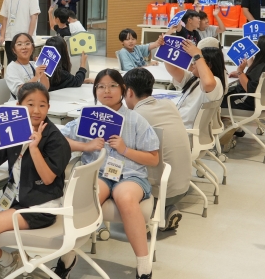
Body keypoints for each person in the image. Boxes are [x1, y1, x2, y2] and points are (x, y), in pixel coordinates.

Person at [57, 69, 159, 279]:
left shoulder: (135, 120)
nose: (107, 91)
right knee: (86, 200)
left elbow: (153, 158)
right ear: (95, 90)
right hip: (99, 175)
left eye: (113, 85)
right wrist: (85, 146)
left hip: (130, 175)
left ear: (123, 89)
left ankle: (143, 264)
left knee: (125, 197)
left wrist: (125, 150)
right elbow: (59, 139)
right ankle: (68, 256)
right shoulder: (87, 117)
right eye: (101, 86)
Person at [0, 82, 71, 279]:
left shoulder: (55, 139)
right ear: (18, 107)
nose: (36, 110)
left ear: (48, 108)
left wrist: (34, 148)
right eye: (30, 104)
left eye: (42, 105)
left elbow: (48, 178)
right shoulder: (14, 131)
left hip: (40, 205)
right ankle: (10, 261)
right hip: (15, 200)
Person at [123, 68, 191, 232]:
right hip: (184, 186)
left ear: (129, 92)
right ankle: (165, 210)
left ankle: (151, 213)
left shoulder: (135, 117)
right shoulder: (169, 104)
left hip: (160, 189)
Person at [161, 36, 226, 129]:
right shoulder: (194, 79)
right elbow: (173, 69)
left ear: (209, 65)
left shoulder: (216, 82)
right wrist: (165, 46)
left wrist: (198, 55)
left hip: (185, 130)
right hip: (177, 124)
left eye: (196, 61)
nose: (193, 64)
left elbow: (208, 83)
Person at [223, 35, 265, 113]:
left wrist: (240, 71)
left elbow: (249, 88)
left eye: (258, 45)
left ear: (262, 49)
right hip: (260, 101)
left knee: (217, 102)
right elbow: (256, 80)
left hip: (247, 102)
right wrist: (240, 75)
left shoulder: (262, 66)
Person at [0, 0, 40, 64]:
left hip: (24, 40)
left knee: (25, 67)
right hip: (10, 39)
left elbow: (34, 17)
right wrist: (2, 36)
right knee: (12, 67)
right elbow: (5, 18)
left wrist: (29, 37)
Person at [4, 33, 49, 99]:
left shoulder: (34, 64)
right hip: (19, 103)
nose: (24, 47)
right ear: (14, 50)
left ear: (32, 48)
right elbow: (20, 92)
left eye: (27, 43)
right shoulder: (11, 68)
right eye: (19, 44)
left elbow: (46, 88)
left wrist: (41, 72)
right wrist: (36, 77)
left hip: (36, 100)